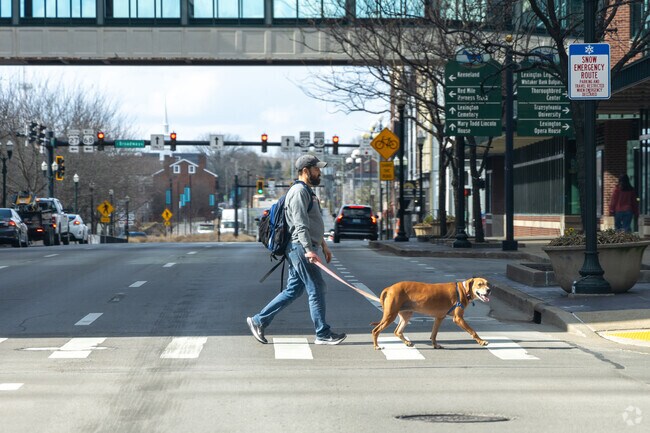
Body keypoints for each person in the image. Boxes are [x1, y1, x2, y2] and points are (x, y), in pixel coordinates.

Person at [247, 155, 346, 345]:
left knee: (293, 290)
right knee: (317, 287)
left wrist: (323, 245)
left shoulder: (307, 191)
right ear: (305, 171)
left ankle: (259, 321)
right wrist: (309, 249)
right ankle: (323, 333)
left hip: (301, 247)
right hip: (300, 247)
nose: (320, 172)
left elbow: (311, 223)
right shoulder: (299, 192)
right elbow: (300, 225)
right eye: (316, 169)